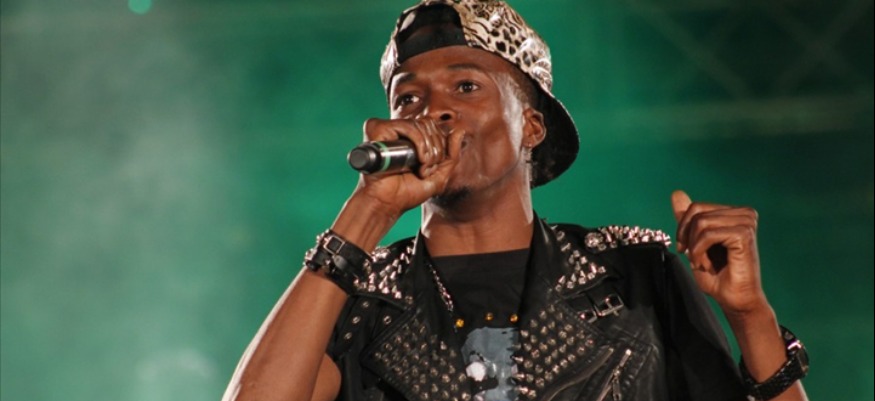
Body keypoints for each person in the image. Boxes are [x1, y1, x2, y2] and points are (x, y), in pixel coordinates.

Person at [222, 1, 810, 400]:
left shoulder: (631, 276)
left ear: (531, 127)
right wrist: (367, 211)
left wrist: (750, 317)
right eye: (409, 99)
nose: (433, 110)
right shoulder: (358, 297)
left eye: (466, 86)